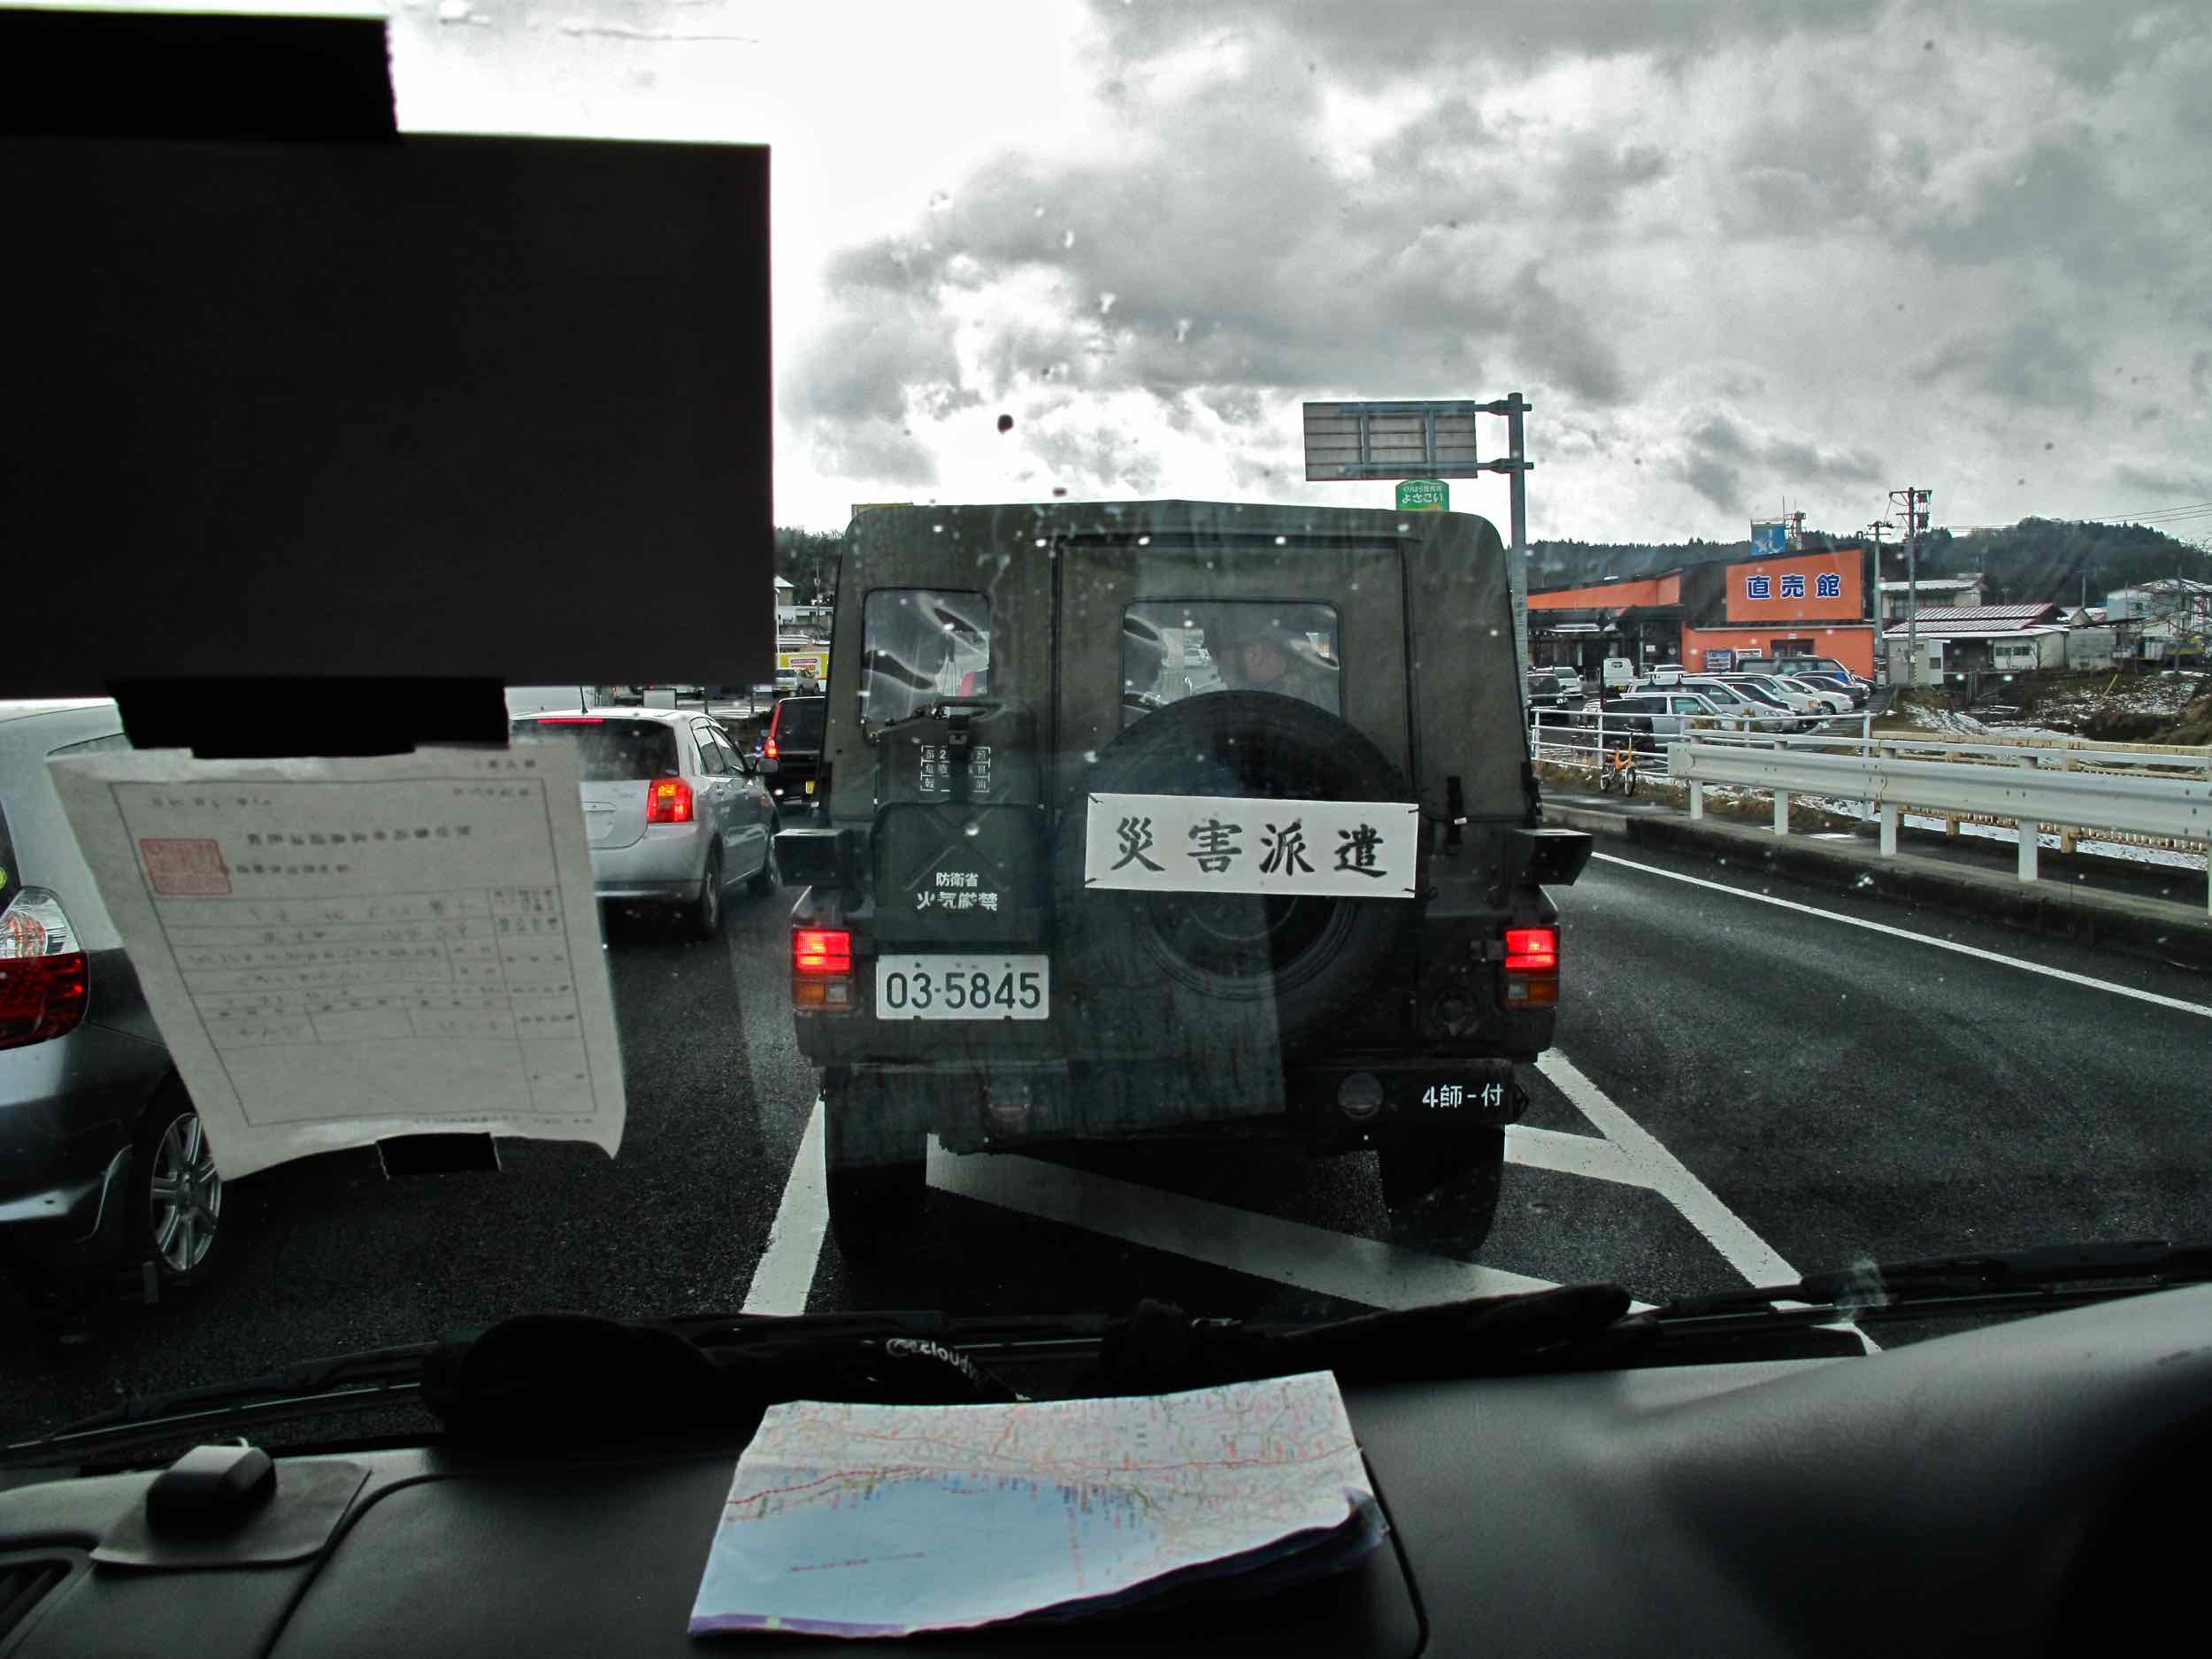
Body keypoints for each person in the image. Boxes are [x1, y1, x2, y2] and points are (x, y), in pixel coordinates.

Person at [1207, 616, 1340, 712]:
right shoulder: (1289, 703)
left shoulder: (1315, 690)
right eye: (1239, 664)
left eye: (1246, 644)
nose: (1256, 651)